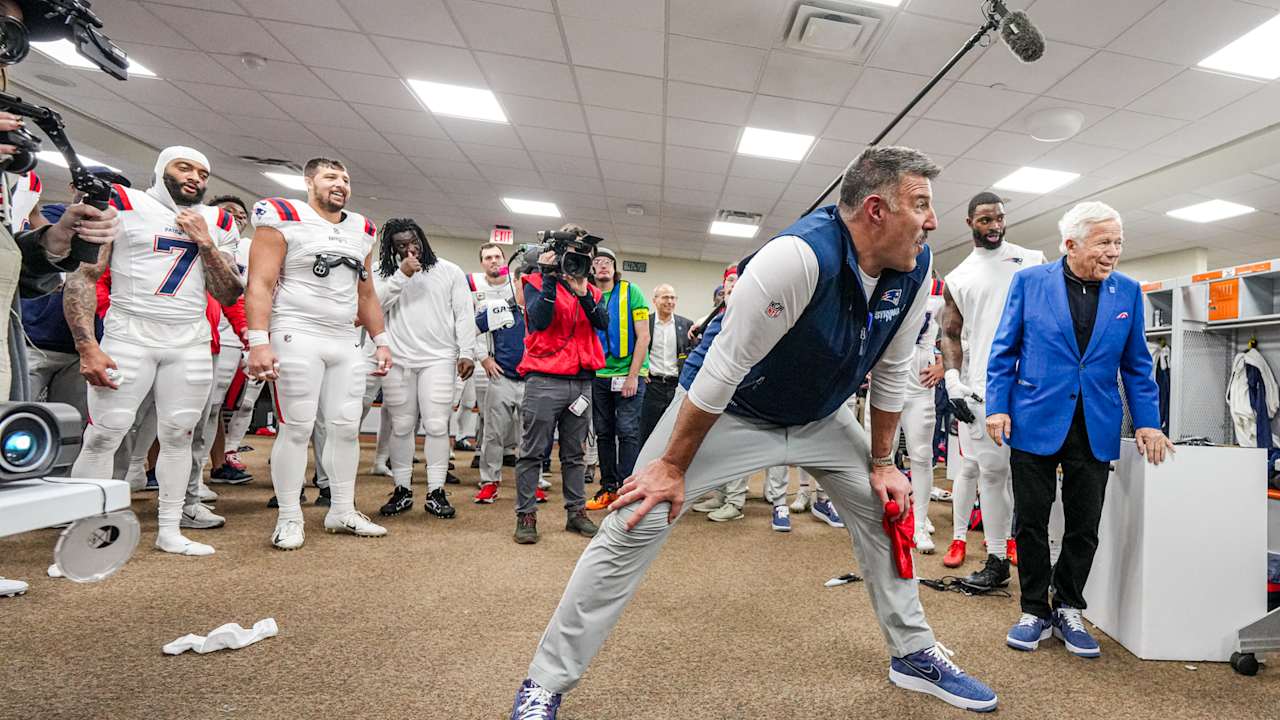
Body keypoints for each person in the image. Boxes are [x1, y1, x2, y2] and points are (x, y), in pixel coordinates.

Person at [508, 146, 999, 717]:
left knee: (884, 511)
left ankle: (912, 651)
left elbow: (889, 370)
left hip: (822, 416)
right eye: (921, 206)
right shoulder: (795, 258)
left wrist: (884, 462)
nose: (933, 221)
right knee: (634, 517)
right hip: (731, 409)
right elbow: (722, 369)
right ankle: (547, 680)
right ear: (874, 210)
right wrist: (669, 468)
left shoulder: (916, 271)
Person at [987, 201, 1172, 658]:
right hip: (1034, 418)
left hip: (1095, 424)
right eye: (1104, 242)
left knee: (1084, 524)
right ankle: (1034, 609)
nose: (1114, 252)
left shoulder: (1128, 292)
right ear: (1070, 244)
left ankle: (1069, 605)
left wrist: (1148, 422)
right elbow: (1003, 350)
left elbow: (1137, 366)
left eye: (1119, 242)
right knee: (1030, 520)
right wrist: (997, 407)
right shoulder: (1030, 283)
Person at [64, 146, 242, 556]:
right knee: (104, 434)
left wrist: (206, 243)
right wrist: (87, 344)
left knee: (178, 434)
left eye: (202, 172)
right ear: (162, 170)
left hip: (190, 338)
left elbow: (229, 290)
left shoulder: (218, 221)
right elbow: (84, 276)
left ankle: (170, 529)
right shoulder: (124, 203)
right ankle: (82, 537)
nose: (195, 177)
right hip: (129, 332)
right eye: (184, 167)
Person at [245, 157, 391, 551]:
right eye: (330, 177)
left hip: (344, 338)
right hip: (297, 333)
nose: (340, 184)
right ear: (309, 182)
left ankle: (342, 509)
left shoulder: (362, 229)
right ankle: (290, 516)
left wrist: (381, 339)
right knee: (297, 426)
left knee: (345, 426)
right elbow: (259, 282)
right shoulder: (283, 216)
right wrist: (258, 339)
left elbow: (366, 292)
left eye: (345, 178)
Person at [939, 192, 1044, 584]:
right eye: (986, 220)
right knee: (992, 474)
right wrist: (953, 383)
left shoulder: (1032, 259)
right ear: (970, 223)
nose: (995, 226)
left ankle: (1042, 557)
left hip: (1034, 385)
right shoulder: (958, 277)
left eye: (1000, 218)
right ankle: (997, 559)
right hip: (985, 388)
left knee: (1036, 475)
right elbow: (949, 334)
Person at [512, 226, 609, 544]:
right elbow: (539, 320)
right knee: (532, 453)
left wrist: (582, 292)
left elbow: (602, 323)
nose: (577, 262)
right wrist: (551, 277)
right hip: (544, 380)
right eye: (573, 256)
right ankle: (526, 516)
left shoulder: (590, 291)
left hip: (581, 382)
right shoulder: (535, 282)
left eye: (583, 257)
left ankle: (576, 514)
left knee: (575, 455)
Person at [373, 218, 475, 519]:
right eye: (401, 245)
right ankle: (402, 488)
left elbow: (464, 315)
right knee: (402, 426)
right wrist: (401, 276)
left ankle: (436, 491)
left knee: (436, 425)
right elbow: (373, 309)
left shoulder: (449, 271)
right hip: (398, 359)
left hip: (439, 359)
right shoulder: (384, 273)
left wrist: (466, 351)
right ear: (391, 248)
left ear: (423, 239)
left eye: (414, 242)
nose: (410, 249)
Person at [584, 247, 650, 511]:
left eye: (607, 262)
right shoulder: (587, 294)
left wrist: (633, 376)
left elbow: (643, 336)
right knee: (603, 433)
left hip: (628, 375)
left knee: (628, 432)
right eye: (597, 262)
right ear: (591, 268)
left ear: (614, 267)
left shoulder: (631, 291)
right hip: (598, 375)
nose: (603, 266)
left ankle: (628, 488)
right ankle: (608, 487)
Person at [473, 244, 530, 504]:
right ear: (515, 281)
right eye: (524, 281)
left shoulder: (541, 313)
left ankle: (532, 482)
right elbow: (470, 331)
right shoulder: (499, 308)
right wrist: (484, 358)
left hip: (532, 381)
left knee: (529, 437)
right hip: (502, 378)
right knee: (494, 434)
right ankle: (489, 482)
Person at [895, 274, 945, 553]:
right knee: (876, 454)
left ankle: (919, 521)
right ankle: (878, 518)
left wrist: (944, 364)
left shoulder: (940, 289)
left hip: (919, 377)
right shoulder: (886, 280)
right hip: (887, 373)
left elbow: (958, 331)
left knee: (921, 455)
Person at [639, 283, 691, 445]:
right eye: (665, 297)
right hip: (651, 387)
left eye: (673, 297)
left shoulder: (687, 325)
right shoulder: (645, 323)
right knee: (646, 433)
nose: (670, 301)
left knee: (672, 435)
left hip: (675, 388)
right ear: (655, 301)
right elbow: (636, 348)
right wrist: (641, 369)